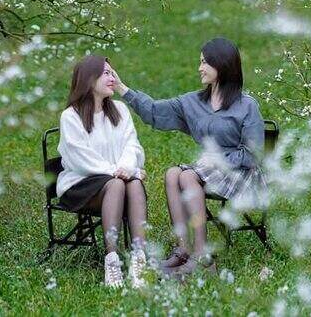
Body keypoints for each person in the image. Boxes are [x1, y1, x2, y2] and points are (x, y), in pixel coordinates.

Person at [111, 37, 267, 278]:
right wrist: (122, 89)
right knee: (174, 174)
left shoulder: (247, 106)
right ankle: (183, 250)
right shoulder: (193, 102)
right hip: (209, 170)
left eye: (205, 63)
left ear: (222, 65)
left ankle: (202, 258)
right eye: (200, 62)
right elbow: (154, 112)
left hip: (242, 172)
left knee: (187, 177)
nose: (199, 68)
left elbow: (253, 155)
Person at [56, 55, 148, 288]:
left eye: (112, 71)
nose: (112, 77)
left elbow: (132, 145)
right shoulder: (71, 116)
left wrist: (128, 169)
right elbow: (79, 158)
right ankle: (112, 261)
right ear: (89, 80)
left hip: (116, 181)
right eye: (105, 73)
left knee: (133, 184)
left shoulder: (120, 110)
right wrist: (118, 172)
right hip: (80, 184)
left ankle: (139, 261)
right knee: (118, 184)